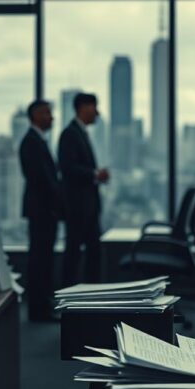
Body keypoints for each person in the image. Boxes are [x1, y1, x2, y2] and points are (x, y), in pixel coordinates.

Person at [57, 93, 109, 286]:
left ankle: (88, 297)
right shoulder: (70, 134)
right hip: (78, 206)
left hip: (86, 206)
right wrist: (95, 174)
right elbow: (67, 167)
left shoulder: (79, 133)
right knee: (75, 253)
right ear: (83, 108)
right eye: (94, 107)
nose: (97, 112)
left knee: (88, 252)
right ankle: (73, 298)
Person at [19, 100, 63, 321]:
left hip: (44, 210)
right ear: (35, 115)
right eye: (47, 113)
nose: (51, 117)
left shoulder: (37, 141)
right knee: (40, 260)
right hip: (42, 210)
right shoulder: (32, 142)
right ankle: (39, 309)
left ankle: (41, 306)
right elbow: (43, 180)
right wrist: (60, 200)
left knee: (43, 258)